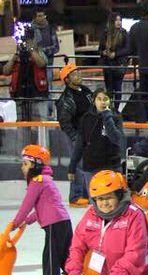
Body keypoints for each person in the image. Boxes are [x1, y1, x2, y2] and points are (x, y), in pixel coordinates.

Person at [10, 145, 76, 275]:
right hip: (62, 223)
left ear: (35, 164)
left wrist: (16, 223)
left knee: (50, 263)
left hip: (55, 226)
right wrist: (27, 221)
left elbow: (28, 204)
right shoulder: (46, 180)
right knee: (66, 263)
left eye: (25, 163)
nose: (22, 167)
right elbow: (45, 207)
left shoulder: (38, 181)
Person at [56, 63, 94, 207]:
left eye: (78, 72)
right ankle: (75, 196)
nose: (78, 75)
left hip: (88, 134)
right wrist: (75, 137)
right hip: (75, 134)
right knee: (77, 164)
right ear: (67, 79)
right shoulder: (66, 98)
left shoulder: (85, 90)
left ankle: (85, 194)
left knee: (86, 164)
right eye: (74, 74)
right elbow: (64, 122)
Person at [124, 5, 148, 123]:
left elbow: (130, 48)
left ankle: (142, 119)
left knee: (143, 93)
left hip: (142, 65)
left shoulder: (134, 27)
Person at [99, 13, 129, 112]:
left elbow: (127, 49)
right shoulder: (105, 33)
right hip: (107, 65)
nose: (118, 22)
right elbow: (100, 49)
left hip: (119, 65)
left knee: (118, 89)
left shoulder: (124, 33)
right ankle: (109, 109)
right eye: (116, 20)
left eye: (120, 20)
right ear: (112, 21)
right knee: (109, 90)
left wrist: (115, 54)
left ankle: (116, 110)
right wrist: (103, 53)